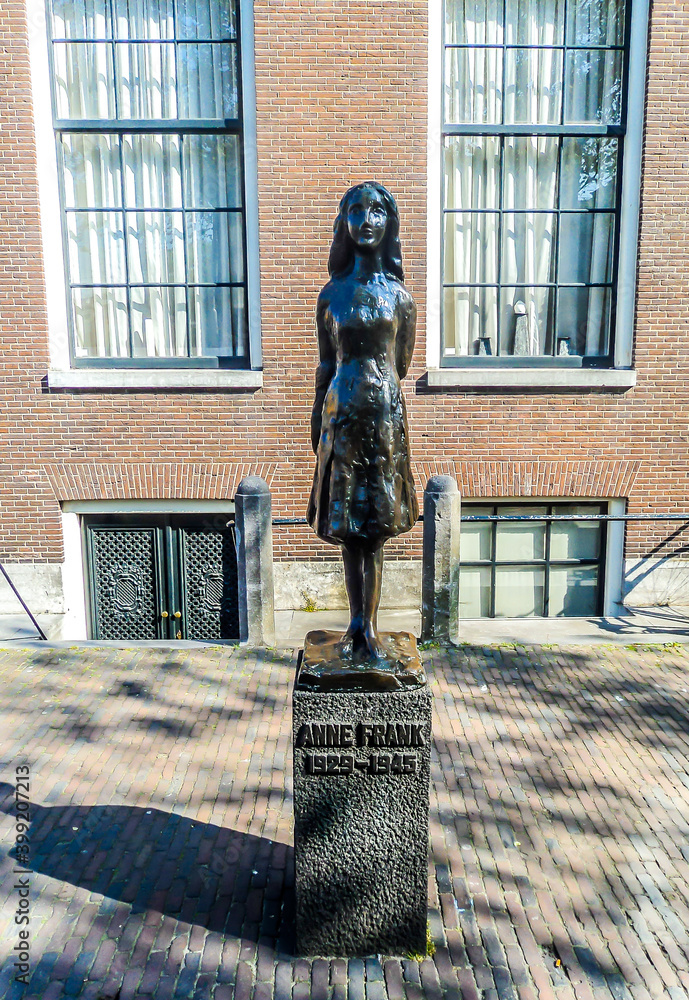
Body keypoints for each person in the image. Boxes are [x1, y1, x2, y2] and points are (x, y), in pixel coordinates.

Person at [307, 182, 418, 660]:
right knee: (349, 527)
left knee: (374, 527)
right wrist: (318, 415)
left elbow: (402, 364)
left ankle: (368, 628)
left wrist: (378, 397)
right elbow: (326, 363)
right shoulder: (331, 295)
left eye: (376, 211)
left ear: (389, 223)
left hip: (383, 417)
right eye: (356, 211)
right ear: (345, 224)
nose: (366, 220)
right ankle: (356, 622)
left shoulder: (400, 298)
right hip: (341, 416)